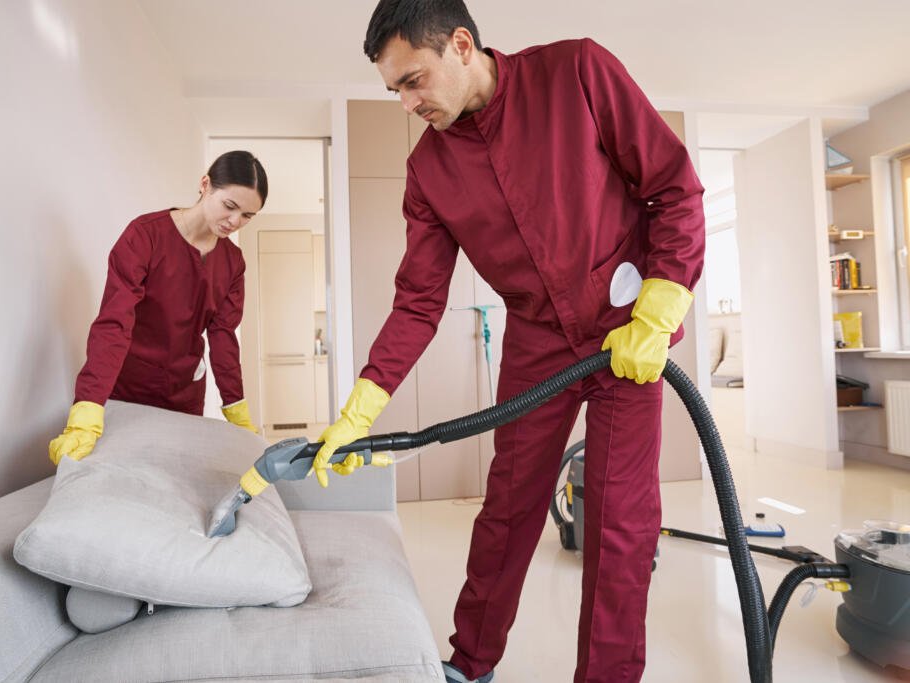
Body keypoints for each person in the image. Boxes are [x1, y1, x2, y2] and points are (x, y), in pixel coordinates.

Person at [314, 2, 705, 682]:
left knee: (619, 520)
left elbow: (672, 187)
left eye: (413, 80)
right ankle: (471, 664)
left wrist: (661, 304)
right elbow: (418, 300)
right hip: (535, 343)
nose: (407, 104)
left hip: (628, 330)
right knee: (508, 507)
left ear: (461, 44)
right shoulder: (430, 173)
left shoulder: (577, 71)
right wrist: (361, 408)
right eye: (394, 90)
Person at [49, 151, 268, 465]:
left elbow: (223, 339)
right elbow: (114, 324)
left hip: (185, 392)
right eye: (230, 206)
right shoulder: (144, 236)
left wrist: (238, 413)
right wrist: (87, 407)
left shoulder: (233, 263)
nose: (235, 222)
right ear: (205, 185)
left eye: (248, 216)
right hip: (128, 388)